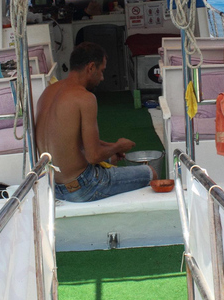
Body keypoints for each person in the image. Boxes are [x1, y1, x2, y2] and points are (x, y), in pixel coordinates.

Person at [35, 42, 156, 202]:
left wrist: (110, 149)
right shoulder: (85, 98)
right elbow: (93, 156)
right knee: (150, 172)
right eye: (102, 71)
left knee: (110, 159)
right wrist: (119, 146)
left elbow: (70, 140)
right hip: (83, 187)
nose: (102, 77)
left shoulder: (48, 92)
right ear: (91, 67)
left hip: (54, 186)